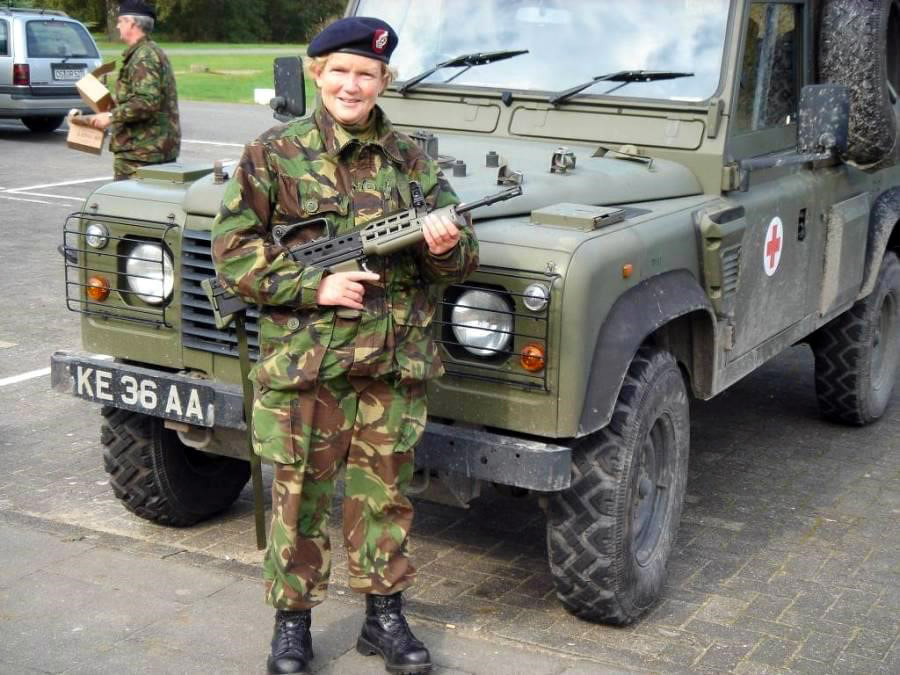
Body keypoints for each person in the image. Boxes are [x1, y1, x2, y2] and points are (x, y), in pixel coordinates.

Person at [210, 16, 478, 675]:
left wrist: (446, 248)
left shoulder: (413, 159)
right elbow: (233, 256)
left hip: (391, 363)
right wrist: (315, 285)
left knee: (384, 494)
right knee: (298, 495)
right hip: (308, 365)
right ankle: (292, 624)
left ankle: (384, 618)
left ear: (384, 80)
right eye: (340, 72)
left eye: (366, 74)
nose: (352, 85)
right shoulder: (272, 153)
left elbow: (462, 257)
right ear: (316, 74)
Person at [90, 0, 180, 180]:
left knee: (128, 205)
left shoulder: (144, 56)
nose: (117, 25)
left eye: (121, 21)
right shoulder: (146, 52)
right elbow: (142, 98)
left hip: (142, 153)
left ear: (132, 23)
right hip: (149, 149)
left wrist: (109, 117)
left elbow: (146, 102)